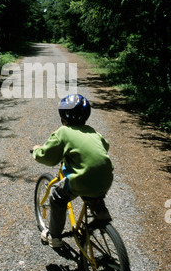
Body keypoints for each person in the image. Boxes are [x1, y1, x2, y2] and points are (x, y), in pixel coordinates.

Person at [32, 94, 114, 248]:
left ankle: (54, 237)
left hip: (82, 179)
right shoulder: (93, 132)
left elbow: (48, 157)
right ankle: (99, 209)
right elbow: (105, 146)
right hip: (106, 178)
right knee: (92, 184)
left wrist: (36, 151)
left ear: (63, 117)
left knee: (57, 198)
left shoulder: (63, 132)